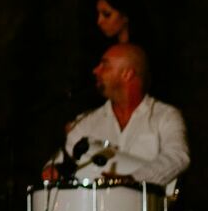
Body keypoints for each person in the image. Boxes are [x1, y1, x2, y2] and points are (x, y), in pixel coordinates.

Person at [45, 43, 189, 188]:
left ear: (127, 74)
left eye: (105, 66)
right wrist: (53, 170)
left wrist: (133, 180)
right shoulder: (86, 122)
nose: (96, 71)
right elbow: (59, 162)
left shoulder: (165, 115)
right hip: (96, 209)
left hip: (147, 207)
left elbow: (178, 157)